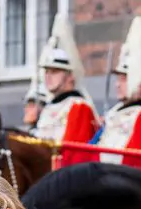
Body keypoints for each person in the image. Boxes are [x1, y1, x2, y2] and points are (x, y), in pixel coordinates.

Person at [90, 15, 141, 152]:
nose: (117, 84)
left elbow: (132, 156)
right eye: (118, 78)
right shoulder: (115, 112)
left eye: (124, 79)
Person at [32, 16, 99, 144]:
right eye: (47, 71)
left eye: (55, 71)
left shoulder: (79, 107)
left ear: (70, 76)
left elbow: (74, 152)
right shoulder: (48, 107)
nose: (48, 76)